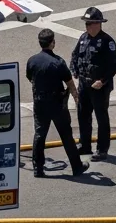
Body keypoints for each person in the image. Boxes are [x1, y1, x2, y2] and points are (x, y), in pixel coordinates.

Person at [26, 28, 88, 178]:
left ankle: (38, 168)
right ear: (52, 43)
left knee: (39, 134)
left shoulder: (32, 61)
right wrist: (76, 98)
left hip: (40, 103)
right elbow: (70, 83)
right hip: (57, 104)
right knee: (66, 135)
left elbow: (30, 78)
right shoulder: (58, 62)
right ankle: (76, 167)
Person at [69, 7, 116, 160]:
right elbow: (75, 55)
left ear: (98, 24)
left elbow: (114, 65)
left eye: (89, 23)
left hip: (99, 87)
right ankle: (85, 145)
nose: (87, 27)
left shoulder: (107, 41)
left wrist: (102, 81)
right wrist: (74, 70)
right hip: (84, 84)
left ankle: (102, 149)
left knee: (101, 117)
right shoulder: (83, 38)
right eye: (86, 24)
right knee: (83, 115)